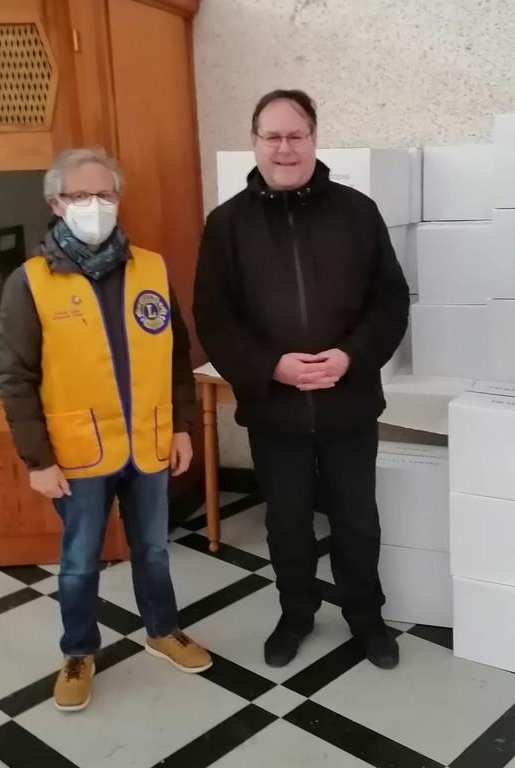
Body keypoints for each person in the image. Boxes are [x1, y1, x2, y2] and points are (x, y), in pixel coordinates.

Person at [194, 89, 409, 670]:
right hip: (275, 408)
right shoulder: (226, 225)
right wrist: (271, 366)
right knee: (286, 522)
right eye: (272, 136)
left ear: (314, 139)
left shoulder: (357, 212)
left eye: (296, 135)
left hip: (348, 401)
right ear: (254, 142)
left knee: (356, 518)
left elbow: (390, 301)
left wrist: (351, 357)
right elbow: (214, 316)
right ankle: (296, 612)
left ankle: (366, 615)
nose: (284, 147)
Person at [0, 148, 211, 712]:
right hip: (77, 454)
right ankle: (78, 652)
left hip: (149, 442)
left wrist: (183, 427)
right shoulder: (30, 282)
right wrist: (37, 460)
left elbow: (176, 355)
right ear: (55, 203)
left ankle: (162, 629)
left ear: (119, 198)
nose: (94, 205)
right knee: (79, 561)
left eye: (105, 194)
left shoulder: (151, 268)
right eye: (79, 196)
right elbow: (16, 379)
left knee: (153, 550)